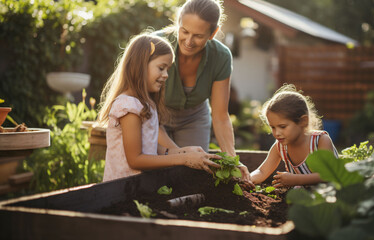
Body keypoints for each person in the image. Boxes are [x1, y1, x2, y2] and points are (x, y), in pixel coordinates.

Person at [97, 34, 221, 182]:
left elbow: (152, 147)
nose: (166, 75)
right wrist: (183, 159)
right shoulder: (128, 107)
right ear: (140, 65)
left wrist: (183, 151)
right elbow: (135, 160)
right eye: (161, 68)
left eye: (167, 69)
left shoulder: (145, 104)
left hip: (139, 188)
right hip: (122, 191)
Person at [154, 0, 252, 187]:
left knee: (194, 177)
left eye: (198, 35)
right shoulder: (155, 45)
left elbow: (221, 116)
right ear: (178, 23)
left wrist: (233, 161)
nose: (189, 41)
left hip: (194, 117)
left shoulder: (220, 56)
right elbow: (146, 109)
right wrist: (181, 155)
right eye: (184, 31)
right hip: (155, 117)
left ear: (213, 33)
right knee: (159, 174)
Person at [250, 84, 339, 188]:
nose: (277, 133)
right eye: (273, 127)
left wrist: (295, 179)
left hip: (332, 195)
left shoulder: (320, 141)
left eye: (282, 126)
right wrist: (248, 179)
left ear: (303, 121)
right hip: (306, 197)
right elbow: (262, 171)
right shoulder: (280, 147)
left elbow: (328, 175)